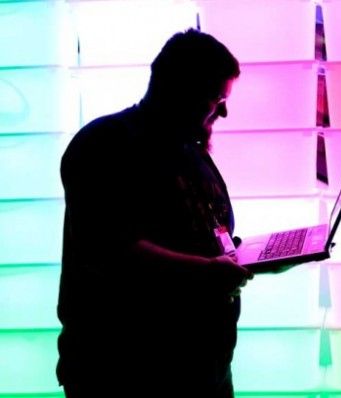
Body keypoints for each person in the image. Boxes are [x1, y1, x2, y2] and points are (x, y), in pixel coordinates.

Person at [56, 29, 253, 397]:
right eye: (216, 98)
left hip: (204, 368)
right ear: (182, 90)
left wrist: (249, 258)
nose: (223, 111)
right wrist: (210, 272)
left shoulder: (192, 151)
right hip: (125, 372)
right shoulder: (105, 145)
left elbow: (207, 236)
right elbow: (110, 252)